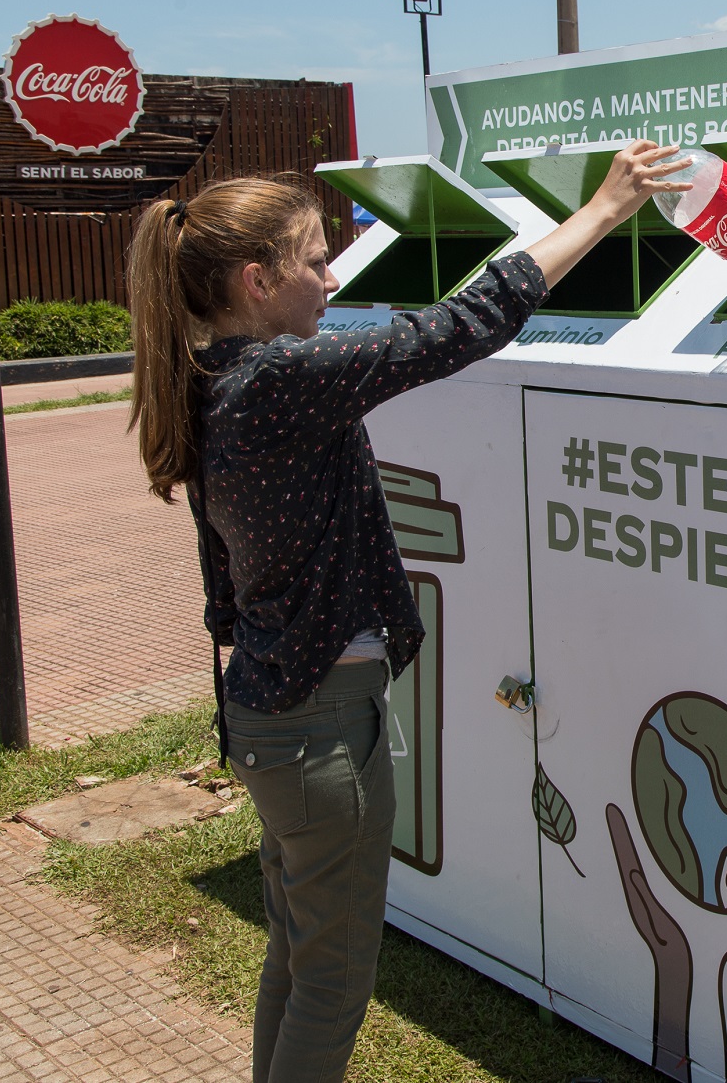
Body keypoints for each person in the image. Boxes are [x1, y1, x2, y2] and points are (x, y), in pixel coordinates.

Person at [125, 140, 691, 1083]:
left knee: (300, 956)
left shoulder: (214, 383)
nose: (332, 276)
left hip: (269, 715)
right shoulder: (279, 385)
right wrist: (599, 214)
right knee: (337, 982)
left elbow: (223, 584)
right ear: (259, 282)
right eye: (313, 260)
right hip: (318, 733)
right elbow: (451, 330)